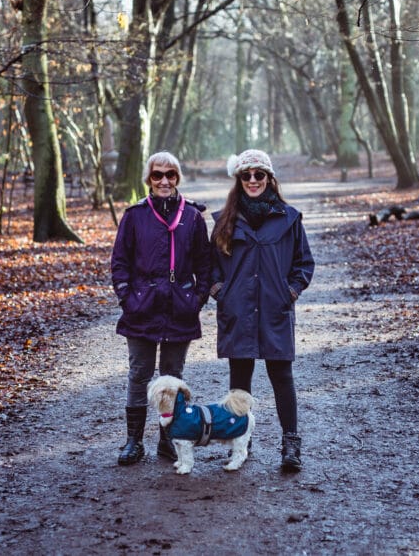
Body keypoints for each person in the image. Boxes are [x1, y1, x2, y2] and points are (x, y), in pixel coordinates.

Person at [209, 149, 314, 472]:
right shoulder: (223, 222)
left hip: (274, 310)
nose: (253, 181)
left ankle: (290, 446)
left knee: (281, 376)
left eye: (259, 175)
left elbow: (304, 263)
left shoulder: (289, 219)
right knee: (240, 381)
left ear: (270, 178)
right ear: (238, 181)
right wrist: (220, 293)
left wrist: (290, 292)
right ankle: (242, 443)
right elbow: (211, 266)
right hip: (238, 311)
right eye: (246, 175)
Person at [111, 151, 213, 466]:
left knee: (172, 375)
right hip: (141, 306)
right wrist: (127, 296)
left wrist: (197, 298)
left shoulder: (193, 217)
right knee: (140, 374)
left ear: (177, 177)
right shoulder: (134, 215)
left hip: (179, 307)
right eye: (158, 175)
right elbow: (119, 262)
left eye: (170, 174)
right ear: (149, 179)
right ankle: (133, 442)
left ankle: (168, 440)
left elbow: (204, 263)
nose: (164, 181)